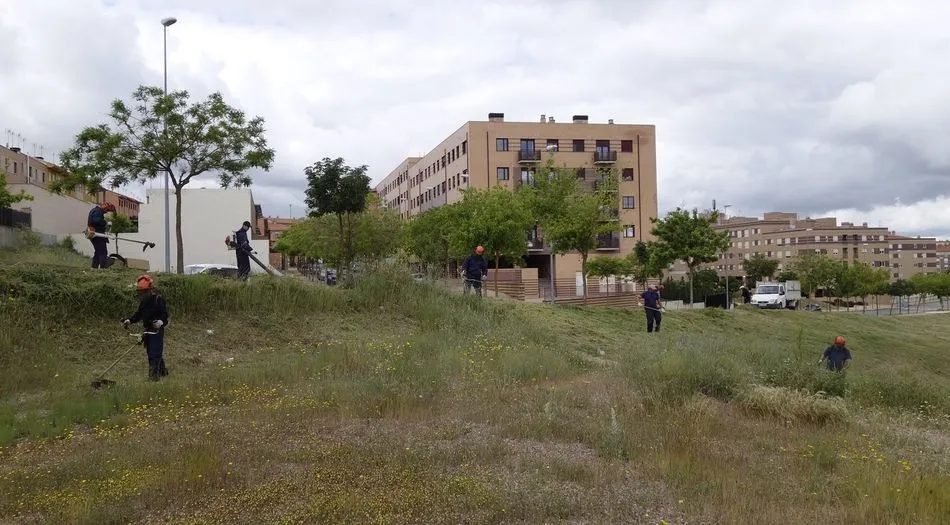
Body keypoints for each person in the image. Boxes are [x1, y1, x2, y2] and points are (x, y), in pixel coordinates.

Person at [122, 275, 169, 381]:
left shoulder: (158, 300)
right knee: (152, 352)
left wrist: (160, 322)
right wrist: (130, 320)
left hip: (157, 331)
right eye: (140, 292)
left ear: (150, 290)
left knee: (154, 353)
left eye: (144, 292)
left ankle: (153, 377)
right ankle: (163, 372)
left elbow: (164, 315)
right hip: (148, 331)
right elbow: (138, 314)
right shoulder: (143, 302)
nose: (142, 294)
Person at [87, 202, 116, 269]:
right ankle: (104, 267)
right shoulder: (97, 211)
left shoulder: (95, 210)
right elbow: (96, 220)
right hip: (97, 235)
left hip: (94, 234)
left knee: (98, 252)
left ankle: (94, 268)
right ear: (105, 208)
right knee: (103, 252)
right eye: (107, 210)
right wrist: (105, 222)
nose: (106, 212)